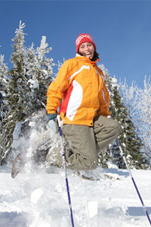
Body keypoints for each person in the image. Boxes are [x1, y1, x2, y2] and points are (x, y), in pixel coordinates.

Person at [45, 33, 121, 170]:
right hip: (75, 119)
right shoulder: (72, 64)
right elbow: (56, 88)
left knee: (113, 127)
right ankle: (52, 156)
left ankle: (82, 154)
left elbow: (103, 97)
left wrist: (104, 114)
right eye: (83, 46)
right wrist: (51, 111)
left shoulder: (98, 72)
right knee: (90, 162)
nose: (86, 49)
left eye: (89, 45)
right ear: (78, 50)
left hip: (91, 118)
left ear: (94, 47)